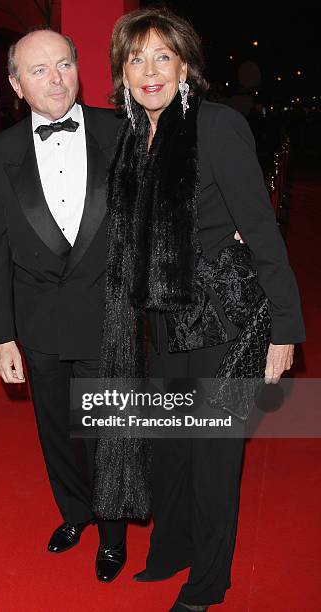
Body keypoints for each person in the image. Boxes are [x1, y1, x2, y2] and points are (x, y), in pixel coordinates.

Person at [95, 7, 305, 611]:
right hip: (163, 320)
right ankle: (173, 550)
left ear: (185, 66)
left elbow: (262, 232)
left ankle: (208, 583)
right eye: (136, 58)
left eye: (163, 56)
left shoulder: (215, 127)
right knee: (172, 450)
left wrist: (285, 330)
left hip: (223, 321)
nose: (149, 70)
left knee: (214, 459)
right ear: (123, 72)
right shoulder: (135, 135)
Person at [0, 28, 126, 583]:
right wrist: (1, 336)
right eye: (38, 71)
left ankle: (113, 534)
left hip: (107, 318)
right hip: (37, 324)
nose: (55, 79)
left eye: (63, 64)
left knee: (107, 432)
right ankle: (75, 513)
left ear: (78, 68)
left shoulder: (122, 131)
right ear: (17, 84)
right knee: (56, 431)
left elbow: (162, 213)